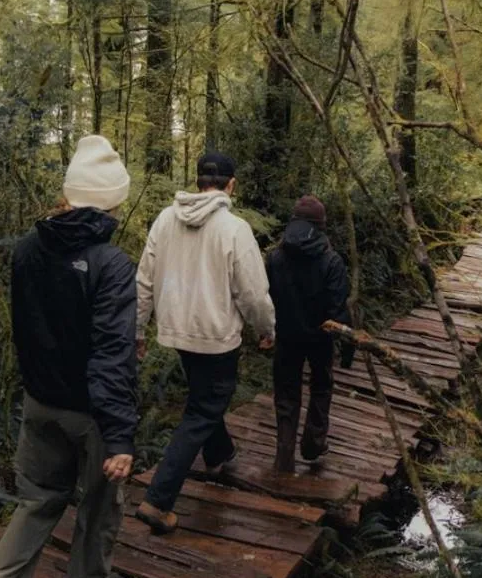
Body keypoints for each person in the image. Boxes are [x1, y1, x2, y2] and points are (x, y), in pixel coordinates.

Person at [0, 135, 139, 578]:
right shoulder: (111, 265)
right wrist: (120, 436)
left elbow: (27, 329)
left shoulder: (26, 248)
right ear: (112, 200)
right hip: (88, 411)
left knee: (38, 500)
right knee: (100, 503)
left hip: (39, 401)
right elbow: (111, 355)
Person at [133, 151, 275, 533]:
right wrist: (266, 328)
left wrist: (136, 330)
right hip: (216, 337)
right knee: (202, 410)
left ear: (198, 182)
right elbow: (254, 293)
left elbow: (143, 280)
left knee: (203, 398)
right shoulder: (234, 228)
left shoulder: (165, 220)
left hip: (177, 331)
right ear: (231, 185)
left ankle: (220, 454)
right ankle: (158, 501)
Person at [266, 195, 354, 474]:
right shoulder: (331, 261)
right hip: (321, 338)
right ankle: (314, 444)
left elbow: (263, 298)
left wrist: (266, 330)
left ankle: (284, 456)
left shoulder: (275, 258)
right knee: (321, 386)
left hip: (286, 336)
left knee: (286, 394)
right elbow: (338, 309)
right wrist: (348, 348)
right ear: (321, 225)